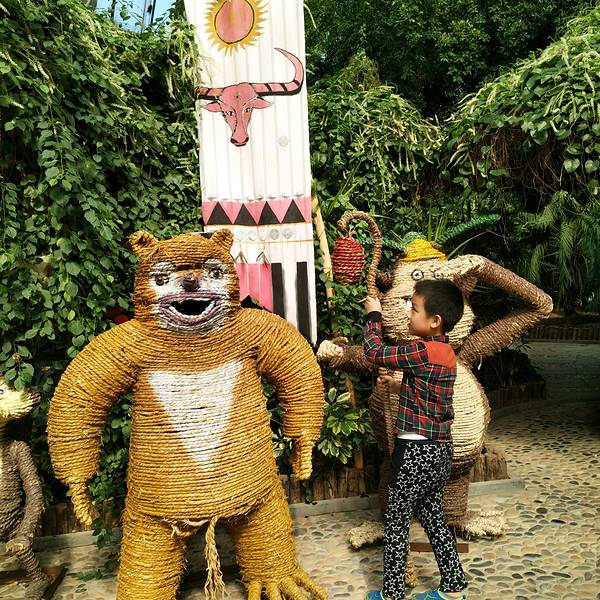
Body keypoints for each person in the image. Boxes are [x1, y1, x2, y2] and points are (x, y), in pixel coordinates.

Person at [363, 279, 469, 600]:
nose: (408, 312)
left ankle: (393, 594)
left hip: (414, 451)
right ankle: (454, 587)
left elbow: (373, 352)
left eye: (414, 307)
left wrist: (373, 316)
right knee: (434, 518)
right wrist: (400, 387)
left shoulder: (420, 350)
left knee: (396, 522)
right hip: (439, 451)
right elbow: (432, 395)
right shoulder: (445, 352)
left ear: (435, 320)